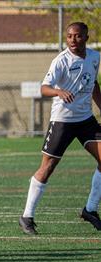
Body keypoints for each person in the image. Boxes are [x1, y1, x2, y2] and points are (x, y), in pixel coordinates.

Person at [19, 22, 101, 235]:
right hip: (62, 121)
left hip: (85, 120)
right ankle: (27, 216)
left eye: (78, 36)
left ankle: (90, 210)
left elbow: (93, 84)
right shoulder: (61, 61)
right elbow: (44, 88)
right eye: (69, 36)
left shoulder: (94, 57)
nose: (73, 40)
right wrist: (59, 92)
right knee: (47, 168)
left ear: (86, 37)